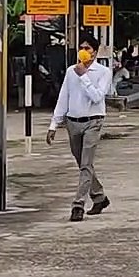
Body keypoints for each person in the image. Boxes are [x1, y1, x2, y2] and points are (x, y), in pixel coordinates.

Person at [47, 33, 114, 222]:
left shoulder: (103, 72)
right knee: (83, 163)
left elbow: (97, 97)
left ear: (95, 52)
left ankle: (78, 205)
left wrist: (84, 76)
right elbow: (63, 98)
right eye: (81, 48)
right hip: (73, 122)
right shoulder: (71, 72)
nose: (83, 51)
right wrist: (54, 124)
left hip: (93, 121)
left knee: (86, 164)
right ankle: (99, 197)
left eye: (87, 48)